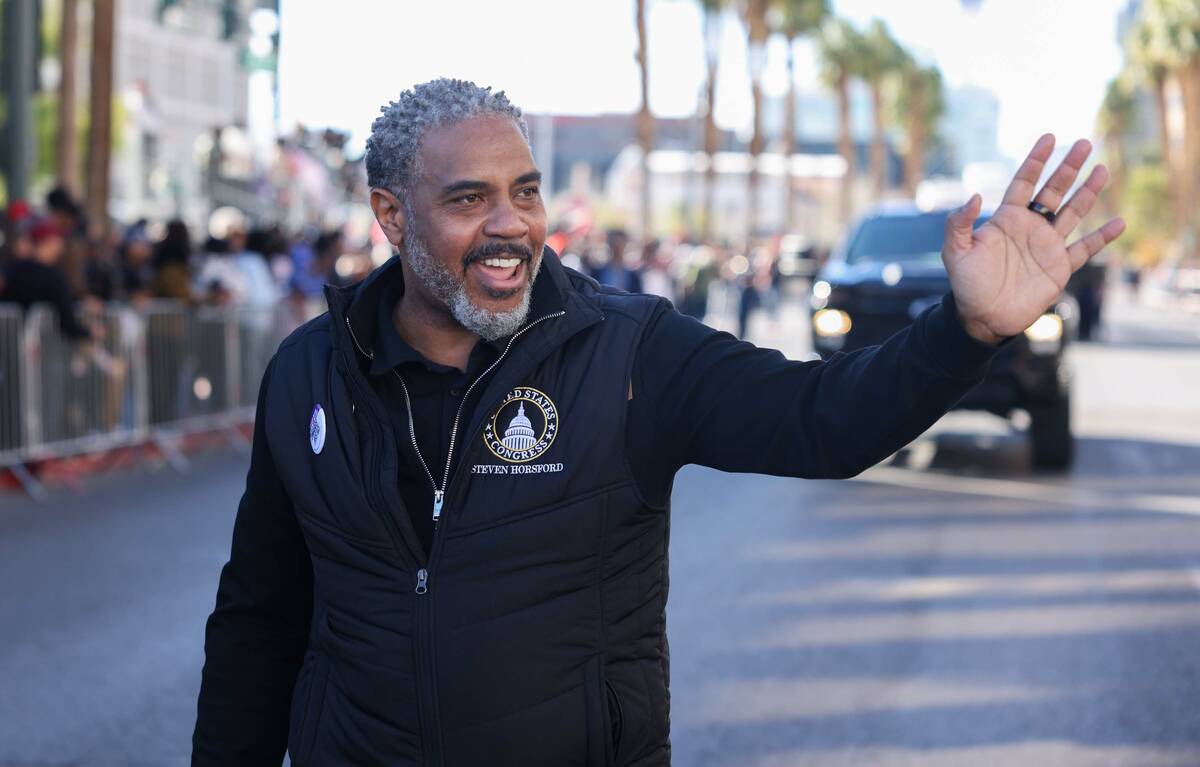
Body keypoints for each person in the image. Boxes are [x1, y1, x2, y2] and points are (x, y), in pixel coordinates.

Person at [192, 79, 1124, 767]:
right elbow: (258, 623)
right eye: (469, 199)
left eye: (525, 190)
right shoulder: (307, 374)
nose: (512, 223)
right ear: (391, 216)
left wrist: (963, 332)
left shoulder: (632, 352)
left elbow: (822, 421)